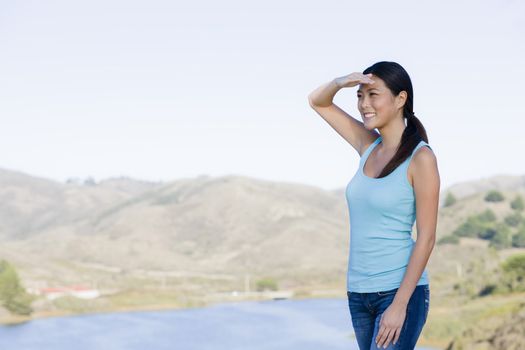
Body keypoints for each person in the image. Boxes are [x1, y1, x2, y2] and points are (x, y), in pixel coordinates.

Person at [307, 61, 440, 349]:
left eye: (373, 95)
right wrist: (341, 82)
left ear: (400, 99)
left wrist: (400, 305)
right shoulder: (368, 146)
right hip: (358, 293)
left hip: (398, 292)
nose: (364, 104)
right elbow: (317, 101)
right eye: (360, 96)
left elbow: (426, 238)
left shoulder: (421, 158)